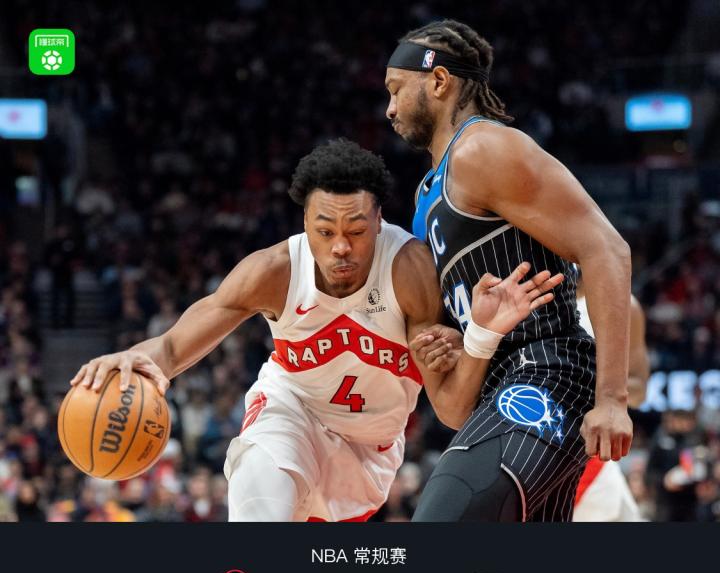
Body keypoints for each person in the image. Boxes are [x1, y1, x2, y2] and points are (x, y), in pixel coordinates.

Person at [70, 139, 562, 522]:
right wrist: (136, 356)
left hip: (370, 450)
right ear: (305, 221)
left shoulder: (408, 270)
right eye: (325, 231)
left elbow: (452, 410)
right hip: (290, 411)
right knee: (259, 488)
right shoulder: (275, 271)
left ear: (379, 221)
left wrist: (480, 337)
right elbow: (174, 346)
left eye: (356, 231)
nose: (340, 247)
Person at [385, 19, 633, 521]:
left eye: (395, 89)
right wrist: (460, 344)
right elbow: (453, 411)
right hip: (494, 390)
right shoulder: (426, 197)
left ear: (438, 81)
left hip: (547, 369)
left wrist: (611, 399)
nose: (389, 108)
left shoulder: (484, 149)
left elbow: (608, 249)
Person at [573, 278, 650, 522]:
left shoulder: (622, 303)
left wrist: (601, 387)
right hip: (527, 450)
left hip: (590, 459)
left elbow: (639, 390)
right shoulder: (519, 298)